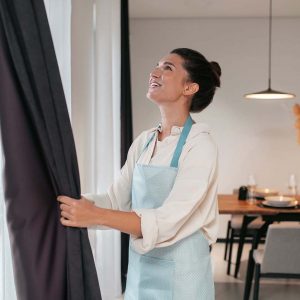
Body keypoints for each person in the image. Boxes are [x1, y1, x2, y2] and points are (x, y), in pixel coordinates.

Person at [58, 48, 221, 299]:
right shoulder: (145, 142)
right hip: (141, 272)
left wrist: (95, 214)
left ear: (190, 88)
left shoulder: (200, 146)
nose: (154, 72)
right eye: (157, 65)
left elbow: (167, 220)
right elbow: (115, 201)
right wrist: (70, 203)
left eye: (167, 68)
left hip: (183, 279)